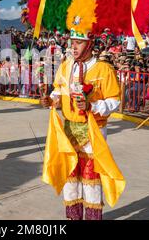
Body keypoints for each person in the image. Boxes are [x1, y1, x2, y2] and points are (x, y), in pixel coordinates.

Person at [40, 26, 122, 220]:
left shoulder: (104, 69)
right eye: (72, 42)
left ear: (90, 44)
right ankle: (73, 217)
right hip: (68, 129)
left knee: (91, 179)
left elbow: (114, 100)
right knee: (70, 177)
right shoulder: (66, 65)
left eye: (79, 42)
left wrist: (92, 105)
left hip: (93, 131)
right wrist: (51, 100)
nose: (73, 47)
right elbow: (58, 91)